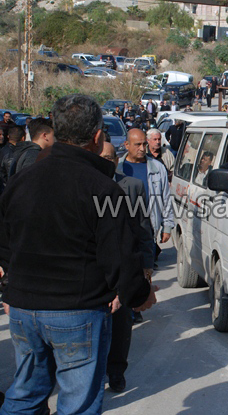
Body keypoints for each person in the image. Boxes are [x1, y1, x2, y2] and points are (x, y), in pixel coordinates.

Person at [0, 94, 155, 414]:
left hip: (24, 308)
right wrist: (139, 293)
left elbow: (5, 243)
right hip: (76, 311)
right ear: (97, 137)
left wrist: (9, 286)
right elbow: (120, 256)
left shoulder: (21, 181)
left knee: (25, 395)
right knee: (78, 404)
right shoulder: (103, 189)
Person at [100, 141, 155, 393]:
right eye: (101, 157)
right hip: (95, 268)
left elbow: (143, 227)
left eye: (110, 158)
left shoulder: (132, 186)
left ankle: (116, 371)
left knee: (122, 323)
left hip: (124, 266)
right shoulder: (84, 184)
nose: (106, 162)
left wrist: (146, 266)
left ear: (117, 160)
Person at [119, 128, 174, 265]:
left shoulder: (157, 168)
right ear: (127, 145)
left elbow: (166, 198)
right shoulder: (118, 168)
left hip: (148, 227)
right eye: (138, 144)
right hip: (123, 227)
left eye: (144, 144)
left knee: (147, 268)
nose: (142, 148)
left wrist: (167, 226)